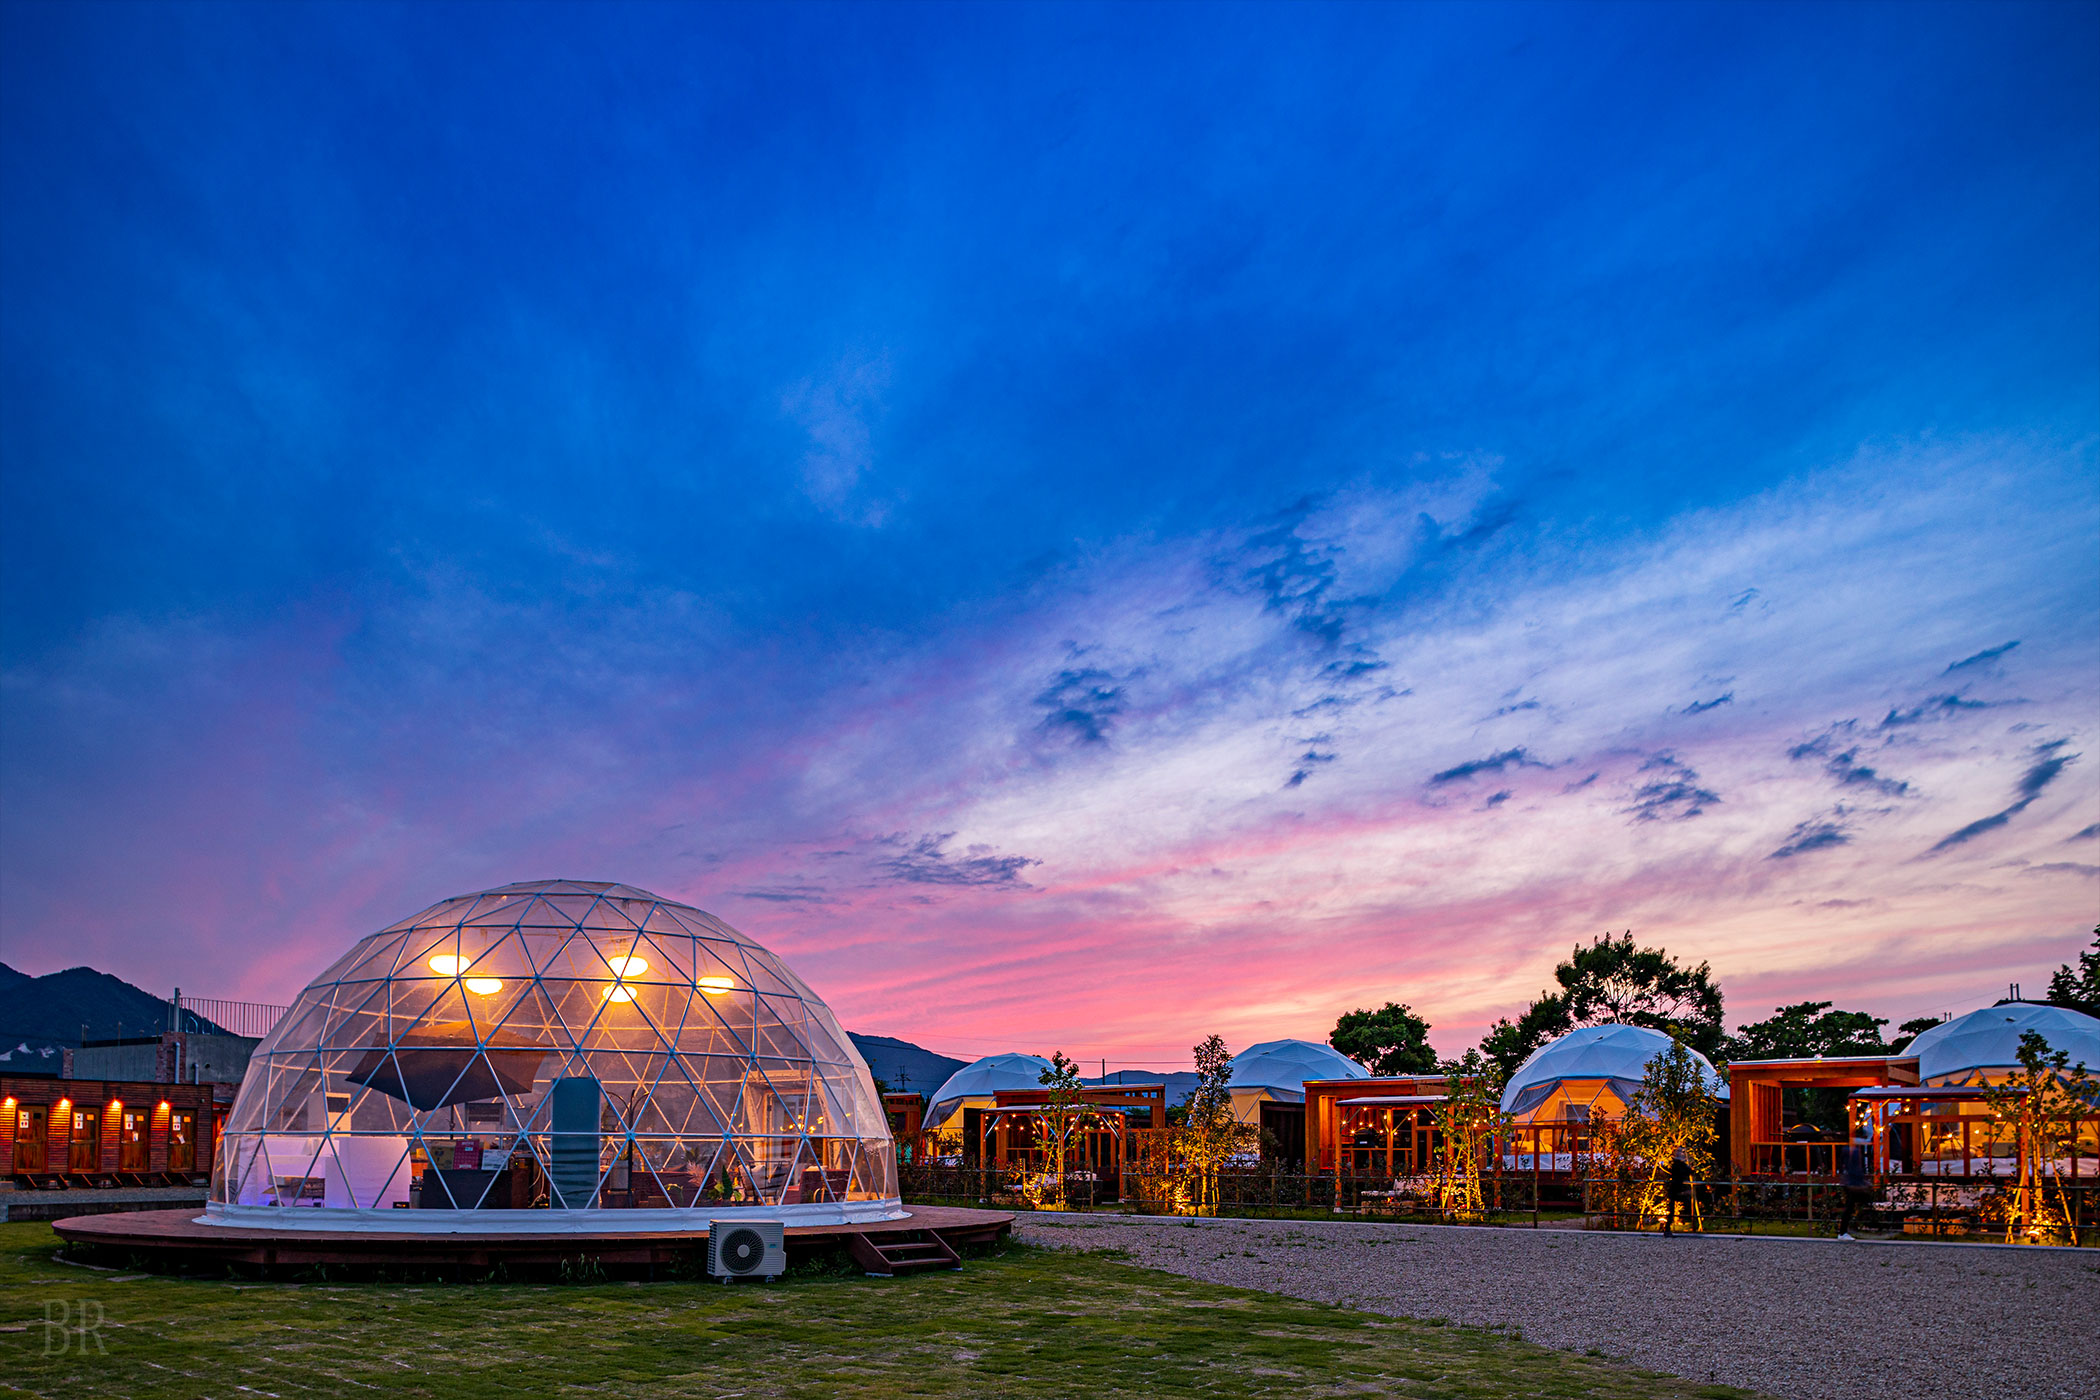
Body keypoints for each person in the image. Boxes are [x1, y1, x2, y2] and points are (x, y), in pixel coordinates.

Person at [1837, 1124, 1874, 1240]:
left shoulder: (1853, 1150)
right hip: (1852, 1183)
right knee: (1851, 1206)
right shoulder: (1852, 1151)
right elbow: (1853, 1168)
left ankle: (1846, 1230)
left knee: (1852, 1206)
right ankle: (1844, 1231)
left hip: (1853, 1182)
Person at [1661, 1147, 1694, 1236]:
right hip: (1677, 1187)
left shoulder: (1677, 1164)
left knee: (1672, 1210)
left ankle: (1667, 1228)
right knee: (1680, 1205)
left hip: (1675, 1187)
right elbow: (1688, 1172)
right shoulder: (1678, 1165)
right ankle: (1691, 1221)